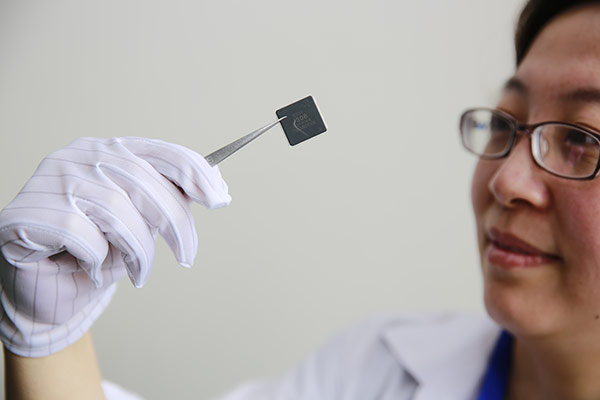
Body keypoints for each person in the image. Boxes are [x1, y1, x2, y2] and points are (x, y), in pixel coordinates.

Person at [1, 0, 599, 398]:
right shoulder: (376, 370)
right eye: (508, 123)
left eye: (580, 140)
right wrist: (50, 335)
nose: (505, 181)